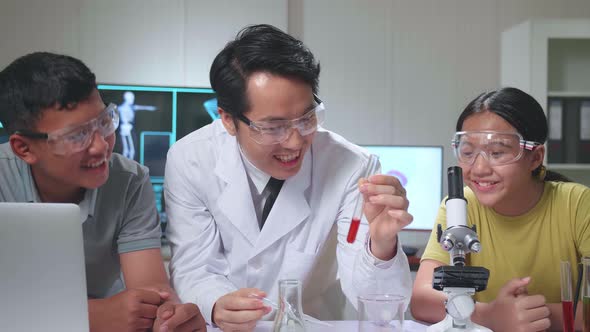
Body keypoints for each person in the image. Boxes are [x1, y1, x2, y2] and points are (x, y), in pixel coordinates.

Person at [165, 24, 413, 331]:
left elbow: (379, 308)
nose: (295, 142)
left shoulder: (351, 167)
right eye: (273, 127)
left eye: (307, 118)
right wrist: (216, 303)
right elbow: (193, 267)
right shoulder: (190, 160)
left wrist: (381, 245)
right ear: (228, 119)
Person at [0, 52, 206, 332]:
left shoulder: (130, 180)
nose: (101, 147)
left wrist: (169, 317)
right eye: (76, 136)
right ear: (24, 148)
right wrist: (91, 316)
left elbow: (152, 292)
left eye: (104, 122)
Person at [411, 87, 590, 332]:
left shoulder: (578, 204)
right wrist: (490, 315)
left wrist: (527, 315)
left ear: (535, 157)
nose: (479, 168)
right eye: (467, 152)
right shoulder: (459, 204)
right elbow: (422, 299)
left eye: (497, 153)